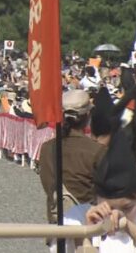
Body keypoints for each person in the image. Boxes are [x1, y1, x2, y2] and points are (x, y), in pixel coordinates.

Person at [39, 89, 107, 224]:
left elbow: (47, 184)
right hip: (88, 223)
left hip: (56, 221)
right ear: (88, 115)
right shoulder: (97, 150)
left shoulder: (47, 147)